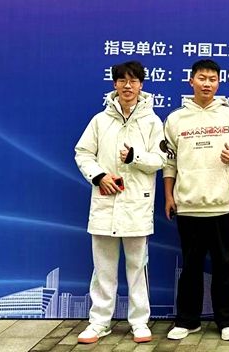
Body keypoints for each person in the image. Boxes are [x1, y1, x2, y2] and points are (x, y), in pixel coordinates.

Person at [74, 61, 165, 345]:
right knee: (103, 269)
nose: (128, 86)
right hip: (105, 203)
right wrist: (99, 176)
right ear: (114, 84)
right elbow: (83, 153)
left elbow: (160, 159)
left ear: (141, 85)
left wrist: (135, 157)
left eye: (133, 81)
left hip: (137, 204)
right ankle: (99, 322)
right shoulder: (100, 121)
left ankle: (139, 322)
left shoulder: (152, 122)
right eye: (122, 80)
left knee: (137, 267)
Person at [163, 59, 229, 342]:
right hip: (188, 205)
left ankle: (227, 321)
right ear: (191, 81)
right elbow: (169, 162)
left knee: (224, 266)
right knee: (190, 268)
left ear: (218, 83)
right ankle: (188, 321)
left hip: (223, 204)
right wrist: (168, 195)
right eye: (202, 78)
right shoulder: (176, 119)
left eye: (212, 79)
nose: (207, 83)